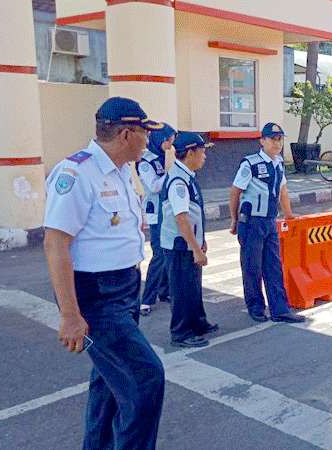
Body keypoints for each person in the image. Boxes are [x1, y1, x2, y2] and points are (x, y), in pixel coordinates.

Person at [43, 97, 165, 449]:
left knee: (110, 383)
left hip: (126, 287)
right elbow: (55, 244)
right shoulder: (77, 173)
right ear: (127, 134)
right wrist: (69, 315)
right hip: (96, 296)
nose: (149, 140)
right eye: (145, 132)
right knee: (145, 379)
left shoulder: (122, 171)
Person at [230, 123, 306, 323]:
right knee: (252, 267)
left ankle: (280, 309)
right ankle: (255, 307)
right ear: (262, 141)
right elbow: (235, 191)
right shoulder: (250, 164)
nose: (277, 143)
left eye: (280, 139)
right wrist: (234, 219)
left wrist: (289, 214)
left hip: (269, 221)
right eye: (273, 139)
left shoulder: (279, 163)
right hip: (252, 222)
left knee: (273, 266)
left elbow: (283, 191)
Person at [159, 131, 218, 347]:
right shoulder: (178, 181)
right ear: (191, 152)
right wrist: (196, 249)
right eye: (202, 152)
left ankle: (198, 323)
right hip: (179, 244)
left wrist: (200, 240)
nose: (204, 156)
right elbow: (181, 219)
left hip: (188, 242)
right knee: (182, 289)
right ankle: (181, 332)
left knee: (193, 286)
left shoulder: (186, 176)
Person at [137, 123, 176, 315]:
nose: (170, 144)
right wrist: (171, 172)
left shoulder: (166, 157)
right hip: (156, 213)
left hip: (169, 211)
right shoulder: (146, 162)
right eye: (168, 140)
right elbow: (153, 186)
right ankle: (146, 300)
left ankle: (165, 291)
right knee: (159, 254)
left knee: (170, 251)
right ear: (160, 140)